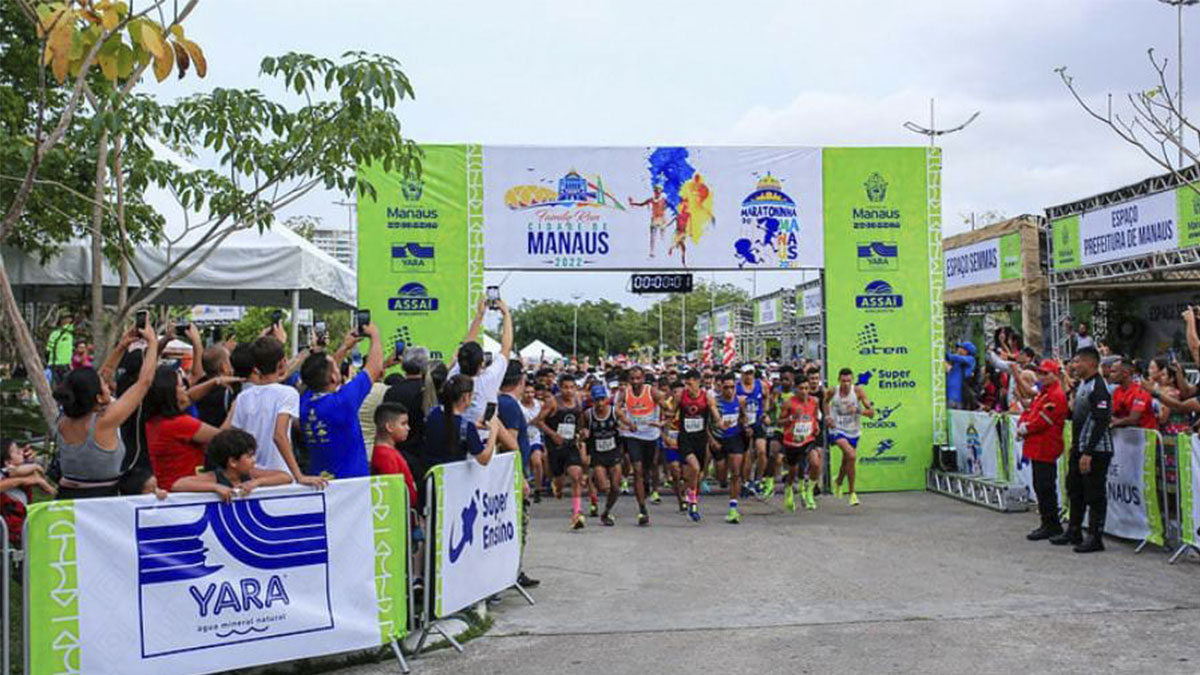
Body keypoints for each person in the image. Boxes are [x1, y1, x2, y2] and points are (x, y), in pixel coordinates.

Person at [53, 325, 159, 499]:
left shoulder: (63, 419)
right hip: (100, 500)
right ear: (99, 397)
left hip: (66, 498)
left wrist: (122, 346)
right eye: (104, 385)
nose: (107, 383)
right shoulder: (104, 421)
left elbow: (100, 377)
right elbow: (144, 382)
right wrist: (153, 342)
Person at [231, 335, 325, 487]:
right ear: (282, 363)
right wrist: (299, 475)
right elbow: (279, 435)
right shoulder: (287, 393)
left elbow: (236, 437)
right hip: (280, 476)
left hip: (251, 475)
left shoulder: (243, 397)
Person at [299, 320, 385, 479]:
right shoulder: (342, 402)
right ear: (333, 377)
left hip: (319, 481)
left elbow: (323, 374)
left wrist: (345, 347)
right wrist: (375, 335)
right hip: (351, 483)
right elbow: (374, 368)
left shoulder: (305, 404)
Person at [1051, 347, 1113, 553]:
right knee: (1074, 488)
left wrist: (1088, 452)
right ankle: (1074, 530)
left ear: (1091, 363)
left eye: (1078, 362)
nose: (1074, 366)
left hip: (1096, 450)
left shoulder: (1099, 387)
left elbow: (1101, 421)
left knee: (1094, 493)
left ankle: (1095, 537)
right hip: (1079, 447)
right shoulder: (1082, 386)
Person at [144, 365, 225, 491]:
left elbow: (189, 398)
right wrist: (236, 406)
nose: (185, 390)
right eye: (181, 386)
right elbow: (224, 437)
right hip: (183, 491)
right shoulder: (178, 424)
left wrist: (214, 382)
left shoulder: (154, 420)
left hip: (167, 486)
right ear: (171, 392)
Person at [1016, 359, 1069, 541]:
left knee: (1045, 486)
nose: (1042, 376)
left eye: (1046, 373)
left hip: (1047, 446)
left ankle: (1052, 525)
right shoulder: (1044, 393)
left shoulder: (1055, 395)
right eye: (1040, 373)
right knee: (1040, 486)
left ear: (1055, 375)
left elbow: (1044, 420)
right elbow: (1031, 412)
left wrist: (1025, 428)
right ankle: (1047, 523)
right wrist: (1023, 424)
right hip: (1038, 445)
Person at [172, 428, 294, 501]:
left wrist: (258, 482)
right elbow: (178, 485)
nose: (254, 460)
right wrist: (215, 487)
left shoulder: (252, 474)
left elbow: (286, 477)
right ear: (233, 462)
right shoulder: (214, 478)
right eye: (249, 456)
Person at [450, 297, 514, 434]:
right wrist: (506, 314)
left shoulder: (453, 376)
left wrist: (479, 315)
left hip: (453, 435)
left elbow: (466, 346)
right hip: (481, 439)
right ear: (482, 364)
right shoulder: (488, 379)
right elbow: (506, 348)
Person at [537, 374, 588, 529]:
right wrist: (553, 434)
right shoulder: (553, 402)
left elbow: (580, 419)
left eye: (572, 387)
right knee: (559, 480)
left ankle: (577, 513)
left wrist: (582, 431)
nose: (569, 391)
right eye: (565, 387)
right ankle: (557, 486)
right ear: (559, 388)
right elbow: (539, 421)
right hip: (555, 447)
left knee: (576, 475)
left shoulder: (577, 400)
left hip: (570, 444)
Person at [615, 364, 661, 526]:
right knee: (637, 470)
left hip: (650, 435)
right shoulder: (624, 393)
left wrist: (663, 422)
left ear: (643, 379)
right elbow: (617, 410)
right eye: (632, 379)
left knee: (647, 469)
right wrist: (627, 422)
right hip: (632, 435)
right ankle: (642, 509)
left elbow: (668, 407)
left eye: (638, 378)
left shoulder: (651, 391)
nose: (635, 382)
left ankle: (646, 483)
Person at [423, 375, 499, 469]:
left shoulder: (433, 412)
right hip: (454, 473)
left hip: (431, 472)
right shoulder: (467, 427)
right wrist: (494, 432)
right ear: (465, 397)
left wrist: (473, 426)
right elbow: (484, 459)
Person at [825, 367, 874, 507]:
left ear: (852, 381)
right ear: (838, 380)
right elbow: (825, 402)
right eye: (843, 381)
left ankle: (839, 481)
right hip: (837, 429)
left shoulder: (858, 391)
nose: (846, 384)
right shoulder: (833, 391)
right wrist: (828, 417)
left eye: (848, 381)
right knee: (851, 455)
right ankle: (852, 493)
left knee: (846, 460)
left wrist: (858, 410)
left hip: (853, 430)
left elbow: (871, 413)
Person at [581, 385, 623, 526]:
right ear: (592, 401)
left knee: (615, 487)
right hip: (598, 454)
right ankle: (594, 482)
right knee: (604, 487)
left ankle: (606, 511)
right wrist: (584, 433)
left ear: (607, 399)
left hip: (613, 452)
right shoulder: (588, 414)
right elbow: (582, 429)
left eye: (602, 399)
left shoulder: (614, 411)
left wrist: (628, 426)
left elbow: (626, 423)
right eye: (596, 400)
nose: (600, 403)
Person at [2, 440, 56, 546]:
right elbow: (16, 471)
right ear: (8, 462)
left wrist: (30, 463)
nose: (21, 453)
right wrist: (35, 466)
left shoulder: (19, 473)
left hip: (19, 528)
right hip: (10, 531)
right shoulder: (8, 471)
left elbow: (34, 476)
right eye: (17, 452)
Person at [676, 369, 712, 522]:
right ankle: (693, 502)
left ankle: (690, 498)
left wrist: (721, 423)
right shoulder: (681, 396)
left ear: (698, 382)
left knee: (697, 475)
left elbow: (715, 413)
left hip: (700, 439)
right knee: (695, 468)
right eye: (686, 384)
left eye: (690, 384)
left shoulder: (706, 396)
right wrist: (663, 424)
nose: (688, 387)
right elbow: (671, 413)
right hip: (685, 438)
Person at [712, 372, 748, 524]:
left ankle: (733, 508)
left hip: (735, 438)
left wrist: (745, 425)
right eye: (726, 387)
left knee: (735, 473)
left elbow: (742, 417)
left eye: (732, 387)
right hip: (719, 439)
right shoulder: (715, 403)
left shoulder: (740, 401)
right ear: (720, 388)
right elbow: (707, 424)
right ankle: (717, 473)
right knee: (721, 477)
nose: (729, 390)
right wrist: (712, 440)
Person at [781, 380, 820, 512]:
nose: (804, 391)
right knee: (793, 471)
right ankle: (788, 489)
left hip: (808, 439)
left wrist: (816, 426)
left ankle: (809, 492)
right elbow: (779, 422)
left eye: (806, 388)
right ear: (795, 389)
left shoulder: (814, 401)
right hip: (792, 441)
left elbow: (815, 416)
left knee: (815, 463)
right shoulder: (788, 403)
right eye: (801, 388)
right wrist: (792, 418)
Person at [370, 402, 417, 508]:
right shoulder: (386, 456)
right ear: (389, 427)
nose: (408, 428)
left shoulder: (389, 452)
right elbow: (394, 492)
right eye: (403, 424)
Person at [736, 364, 770, 497]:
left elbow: (766, 397)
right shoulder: (737, 387)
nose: (748, 376)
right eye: (746, 373)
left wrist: (765, 413)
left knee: (761, 451)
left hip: (757, 421)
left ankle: (758, 480)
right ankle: (745, 482)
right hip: (742, 423)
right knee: (747, 455)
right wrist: (743, 421)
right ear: (742, 374)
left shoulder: (761, 385)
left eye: (751, 373)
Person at [521, 382, 549, 502]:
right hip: (522, 437)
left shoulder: (540, 404)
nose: (529, 395)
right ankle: (524, 490)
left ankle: (538, 489)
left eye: (532, 392)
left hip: (535, 437)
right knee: (522, 465)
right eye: (527, 392)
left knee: (537, 462)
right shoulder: (517, 405)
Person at [1110, 358, 1157, 430]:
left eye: (1114, 372)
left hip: (1145, 434)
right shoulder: (1117, 391)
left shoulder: (1140, 391)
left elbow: (1133, 419)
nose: (1111, 375)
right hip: (1126, 434)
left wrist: (1114, 422)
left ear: (1125, 373)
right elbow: (1113, 413)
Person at [629, 184, 668, 257]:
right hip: (655, 219)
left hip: (662, 219)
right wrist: (633, 203)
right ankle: (652, 251)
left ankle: (663, 251)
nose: (657, 193)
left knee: (663, 236)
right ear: (654, 192)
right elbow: (641, 204)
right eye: (656, 191)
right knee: (653, 236)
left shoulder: (664, 199)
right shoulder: (651, 199)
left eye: (659, 191)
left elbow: (670, 205)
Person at [945, 342, 977, 410]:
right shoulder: (958, 363)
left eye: (961, 348)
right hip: (949, 395)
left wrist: (943, 351)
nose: (958, 349)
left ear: (966, 351)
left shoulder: (970, 359)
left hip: (957, 398)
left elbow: (951, 357)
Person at [46, 315, 75, 385]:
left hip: (55, 364)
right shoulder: (70, 335)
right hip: (63, 365)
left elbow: (48, 350)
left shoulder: (54, 334)